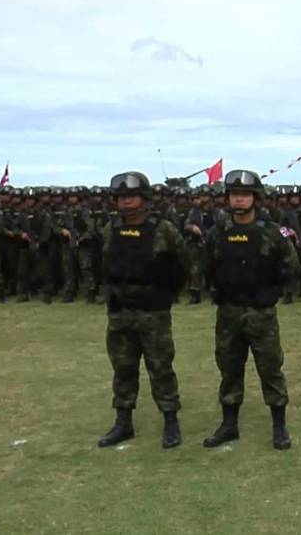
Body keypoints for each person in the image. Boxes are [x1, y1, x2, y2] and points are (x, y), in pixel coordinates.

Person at [202, 170, 300, 450]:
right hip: (229, 313)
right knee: (229, 368)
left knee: (270, 368)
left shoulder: (274, 232)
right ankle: (229, 425)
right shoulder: (217, 232)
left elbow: (292, 267)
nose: (240, 199)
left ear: (256, 198)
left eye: (245, 194)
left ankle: (279, 426)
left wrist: (271, 291)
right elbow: (206, 266)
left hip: (261, 313)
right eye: (235, 194)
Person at [97, 172, 187, 449]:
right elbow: (103, 264)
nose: (126, 202)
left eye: (131, 196)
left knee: (160, 367)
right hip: (120, 311)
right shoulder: (109, 230)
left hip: (153, 313)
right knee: (123, 368)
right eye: (122, 197)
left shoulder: (163, 230)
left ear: (144, 199)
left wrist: (165, 295)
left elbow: (182, 264)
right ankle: (123, 423)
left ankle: (171, 421)